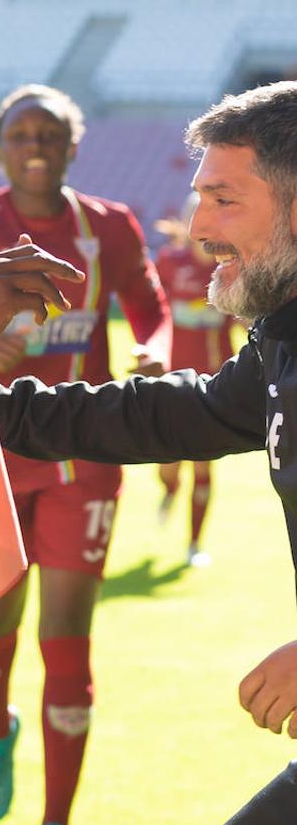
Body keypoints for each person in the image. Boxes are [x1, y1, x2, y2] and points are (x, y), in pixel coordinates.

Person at [0, 79, 297, 825]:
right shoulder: (277, 341)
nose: (199, 226)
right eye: (198, 197)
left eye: (223, 199)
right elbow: (168, 415)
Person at [0, 83, 172, 825]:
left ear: (74, 146)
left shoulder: (108, 226)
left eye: (51, 133)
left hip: (84, 461)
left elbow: (151, 308)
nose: (36, 145)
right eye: (21, 134)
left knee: (67, 642)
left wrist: (152, 350)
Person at [154, 193, 237, 568]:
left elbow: (247, 324)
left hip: (214, 388)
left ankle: (194, 544)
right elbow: (152, 314)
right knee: (169, 466)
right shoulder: (170, 263)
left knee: (204, 465)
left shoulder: (233, 270)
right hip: (171, 386)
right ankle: (169, 491)